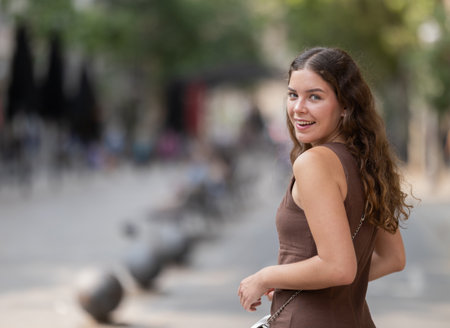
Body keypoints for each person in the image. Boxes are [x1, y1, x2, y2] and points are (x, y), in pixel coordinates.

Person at [238, 47, 412, 327]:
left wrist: (266, 277)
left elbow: (338, 267)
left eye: (314, 97)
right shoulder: (367, 164)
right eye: (293, 94)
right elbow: (394, 258)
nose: (298, 108)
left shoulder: (315, 162)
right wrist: (302, 281)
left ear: (345, 105)